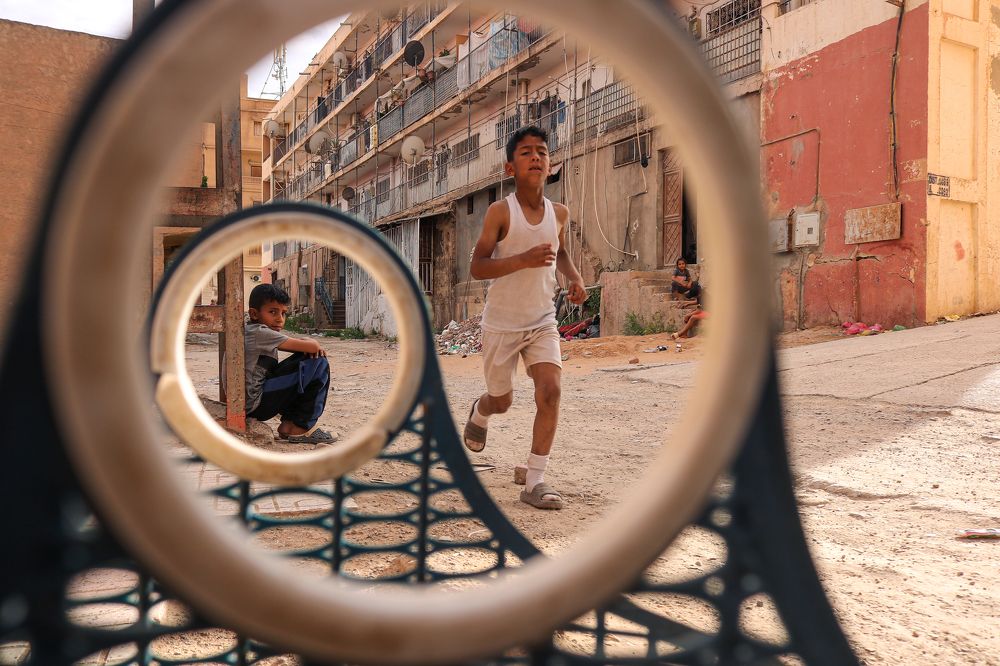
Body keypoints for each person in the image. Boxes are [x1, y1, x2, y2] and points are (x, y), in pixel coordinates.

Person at [464, 126, 586, 510]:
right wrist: (522, 260)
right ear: (509, 167)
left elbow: (560, 252)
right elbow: (478, 267)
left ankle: (535, 480)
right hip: (501, 323)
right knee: (503, 401)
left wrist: (575, 277)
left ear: (551, 165)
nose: (536, 157)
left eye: (542, 152)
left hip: (541, 320)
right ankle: (480, 410)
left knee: (550, 390)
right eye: (526, 152)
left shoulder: (559, 213)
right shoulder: (501, 212)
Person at [243, 283, 336, 444]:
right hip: (256, 404)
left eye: (284, 313)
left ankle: (288, 425)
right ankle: (301, 427)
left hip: (250, 401)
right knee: (318, 362)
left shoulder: (250, 330)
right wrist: (310, 341)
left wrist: (307, 346)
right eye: (273, 312)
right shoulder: (259, 332)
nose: (279, 319)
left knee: (303, 363)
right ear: (254, 314)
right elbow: (312, 347)